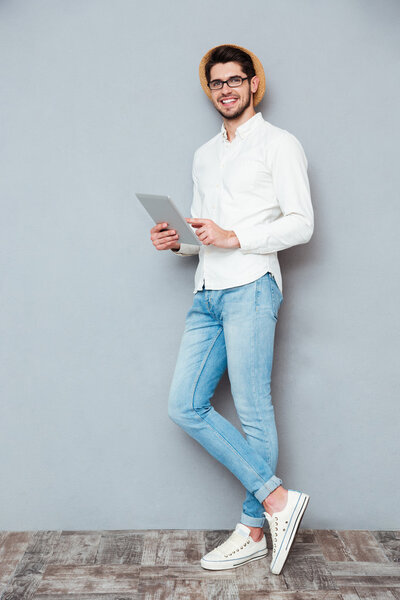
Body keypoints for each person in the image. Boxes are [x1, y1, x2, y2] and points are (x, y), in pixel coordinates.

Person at [150, 44, 314, 575]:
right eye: (216, 82)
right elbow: (205, 234)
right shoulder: (204, 155)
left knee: (252, 408)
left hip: (251, 286)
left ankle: (250, 531)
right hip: (206, 292)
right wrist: (178, 241)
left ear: (253, 84)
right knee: (185, 405)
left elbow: (301, 223)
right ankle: (278, 501)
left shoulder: (279, 144)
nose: (226, 89)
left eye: (234, 80)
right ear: (210, 89)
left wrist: (235, 235)